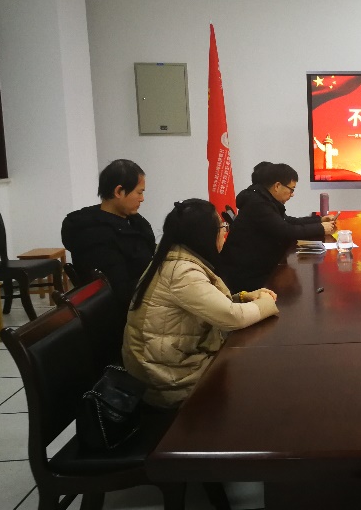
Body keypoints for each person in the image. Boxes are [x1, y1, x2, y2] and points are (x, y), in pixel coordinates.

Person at [122, 199, 278, 408]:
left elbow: (204, 305)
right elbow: (233, 317)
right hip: (169, 379)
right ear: (204, 234)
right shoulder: (182, 272)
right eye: (221, 227)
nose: (225, 232)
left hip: (171, 363)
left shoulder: (174, 257)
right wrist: (267, 302)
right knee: (260, 378)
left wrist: (242, 297)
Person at [216, 162, 337, 292]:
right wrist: (320, 228)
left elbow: (287, 221)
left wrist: (319, 220)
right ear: (277, 186)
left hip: (257, 268)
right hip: (246, 277)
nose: (292, 194)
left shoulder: (264, 199)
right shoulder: (258, 204)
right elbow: (286, 231)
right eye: (291, 189)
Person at [62, 159, 156, 312]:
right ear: (118, 192)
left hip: (146, 297)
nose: (142, 198)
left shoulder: (135, 221)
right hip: (125, 312)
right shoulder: (94, 235)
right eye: (139, 192)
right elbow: (119, 292)